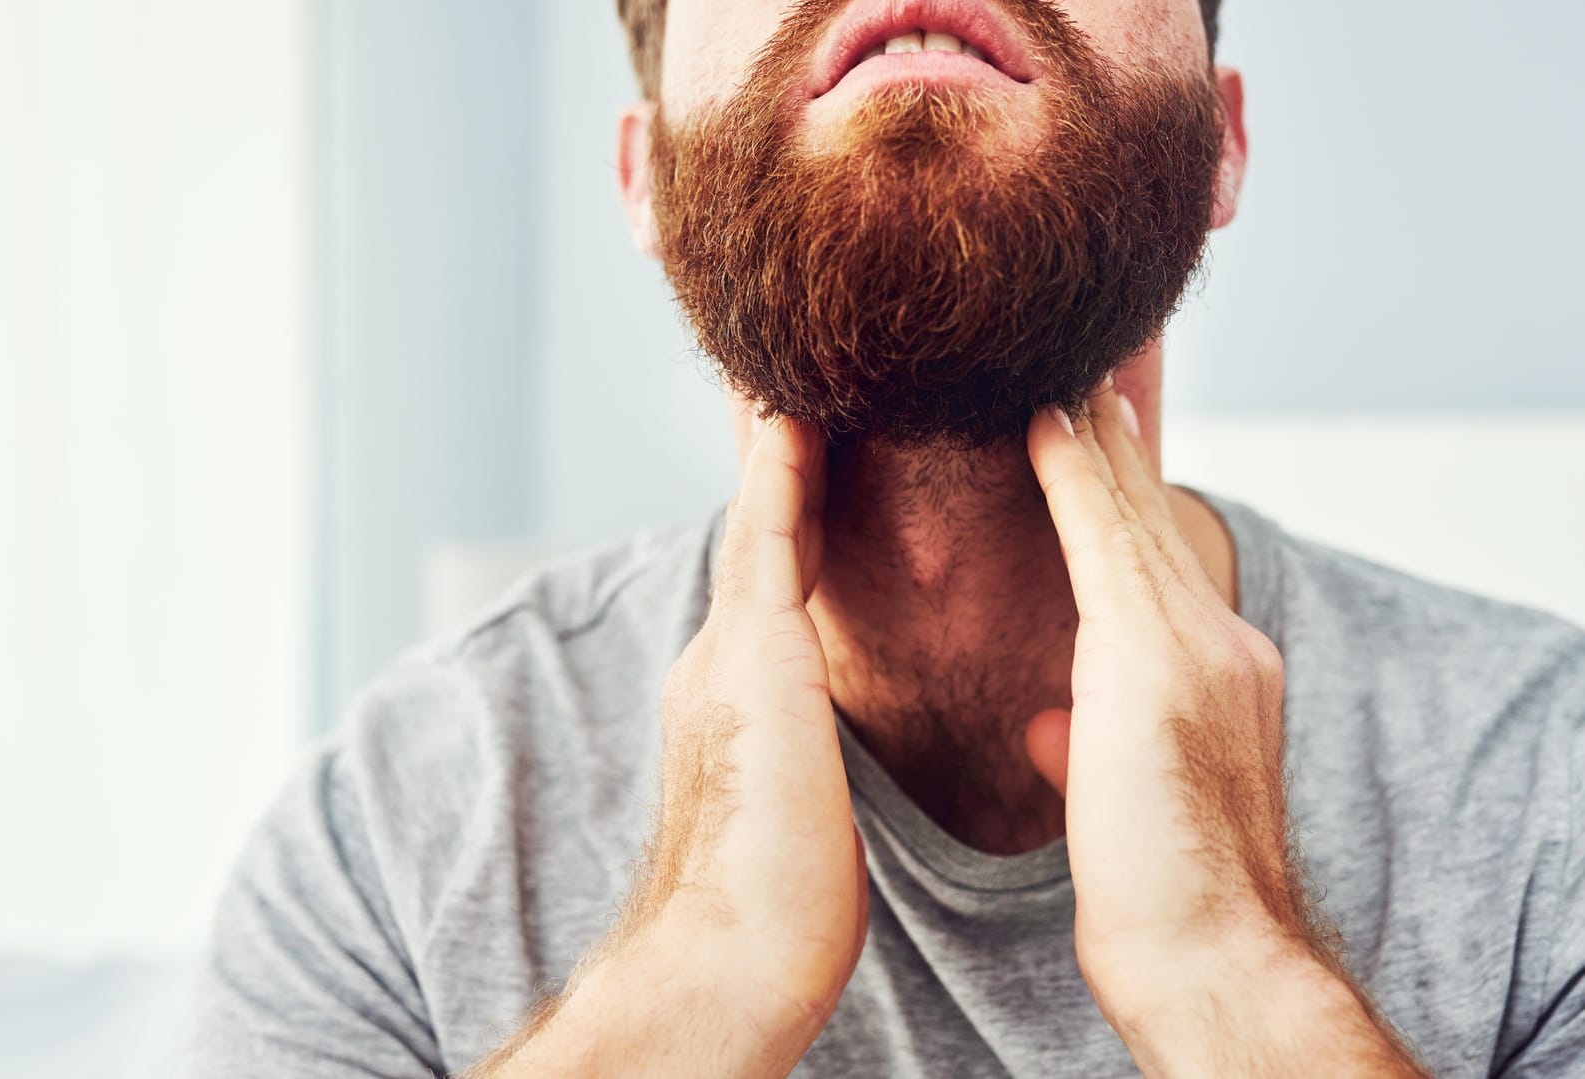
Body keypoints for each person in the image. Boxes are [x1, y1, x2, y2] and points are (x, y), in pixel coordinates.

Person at [184, 1, 1585, 1075]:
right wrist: (693, 982)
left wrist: (1230, 972)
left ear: (1220, 144)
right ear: (646, 186)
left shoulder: (1550, 799)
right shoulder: (386, 836)